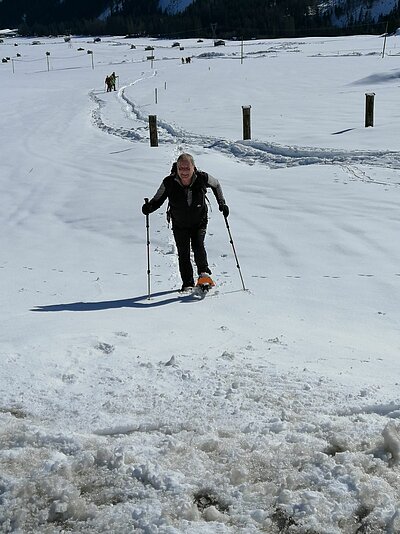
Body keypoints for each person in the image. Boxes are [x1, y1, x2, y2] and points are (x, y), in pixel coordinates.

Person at [142, 153, 229, 291]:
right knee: (183, 252)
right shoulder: (169, 182)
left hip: (199, 220)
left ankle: (204, 274)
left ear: (193, 167)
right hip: (179, 223)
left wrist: (222, 203)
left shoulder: (202, 177)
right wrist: (149, 208)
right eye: (181, 168)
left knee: (198, 245)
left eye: (187, 168)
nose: (184, 172)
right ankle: (187, 283)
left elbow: (216, 184)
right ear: (177, 168)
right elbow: (158, 199)